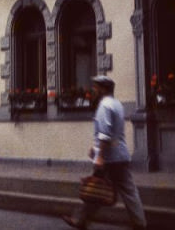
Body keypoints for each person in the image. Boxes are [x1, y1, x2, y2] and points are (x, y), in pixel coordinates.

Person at [63, 75, 147, 230]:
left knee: (94, 188)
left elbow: (104, 134)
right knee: (128, 191)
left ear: (103, 89)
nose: (93, 90)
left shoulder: (104, 106)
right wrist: (95, 149)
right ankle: (139, 222)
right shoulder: (117, 104)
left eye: (95, 87)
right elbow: (114, 133)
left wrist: (99, 155)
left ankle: (80, 219)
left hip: (109, 158)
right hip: (120, 154)